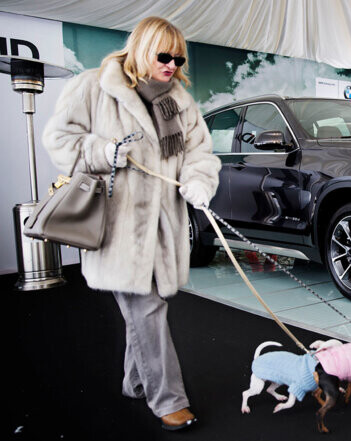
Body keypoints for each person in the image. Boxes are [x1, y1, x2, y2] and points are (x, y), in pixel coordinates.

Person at [42, 16, 221, 431]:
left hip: (163, 229)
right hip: (117, 229)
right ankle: (168, 400)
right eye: (163, 55)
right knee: (147, 310)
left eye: (178, 58)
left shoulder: (180, 101)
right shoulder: (92, 86)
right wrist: (103, 151)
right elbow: (59, 140)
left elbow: (201, 153)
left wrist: (197, 181)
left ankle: (134, 382)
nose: (172, 64)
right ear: (142, 48)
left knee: (146, 309)